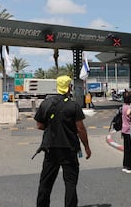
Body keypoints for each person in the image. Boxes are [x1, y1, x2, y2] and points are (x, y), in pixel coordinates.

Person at [34, 75, 91, 207]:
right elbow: (80, 129)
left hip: (50, 148)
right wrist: (87, 147)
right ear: (69, 88)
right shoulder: (73, 106)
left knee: (46, 183)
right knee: (70, 183)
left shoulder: (46, 103)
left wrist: (53, 129)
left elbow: (39, 125)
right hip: (69, 149)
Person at [121, 90, 131, 174]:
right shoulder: (129, 108)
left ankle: (125, 165)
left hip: (124, 129)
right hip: (129, 130)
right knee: (130, 150)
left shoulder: (123, 106)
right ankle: (130, 166)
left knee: (127, 149)